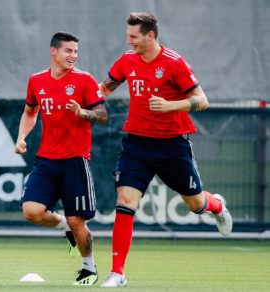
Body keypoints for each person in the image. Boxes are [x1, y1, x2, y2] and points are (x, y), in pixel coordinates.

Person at [99, 12, 233, 288]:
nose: (129, 41)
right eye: (128, 35)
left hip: (173, 145)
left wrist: (171, 105)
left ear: (150, 36)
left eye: (134, 36)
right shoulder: (127, 60)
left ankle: (216, 205)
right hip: (137, 143)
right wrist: (83, 101)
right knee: (125, 200)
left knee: (195, 205)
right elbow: (105, 88)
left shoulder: (174, 63)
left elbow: (202, 100)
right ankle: (117, 273)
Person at [15, 31, 107, 286]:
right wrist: (21, 137)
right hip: (46, 159)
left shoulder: (85, 80)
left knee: (80, 220)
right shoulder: (36, 81)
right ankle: (64, 226)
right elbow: (30, 112)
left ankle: (89, 267)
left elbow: (102, 114)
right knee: (31, 211)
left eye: (76, 51)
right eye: (68, 51)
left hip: (75, 160)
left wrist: (82, 112)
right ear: (53, 51)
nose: (73, 56)